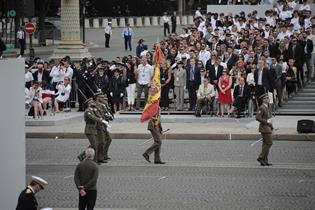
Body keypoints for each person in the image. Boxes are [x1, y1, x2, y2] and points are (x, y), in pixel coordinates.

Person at [94, 92, 113, 161]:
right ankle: (98, 157)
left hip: (104, 126)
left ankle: (103, 155)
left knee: (107, 139)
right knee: (98, 142)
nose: (104, 99)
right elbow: (98, 116)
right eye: (102, 98)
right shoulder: (96, 106)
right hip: (99, 126)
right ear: (98, 98)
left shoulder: (104, 105)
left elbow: (109, 115)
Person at [256, 93, 274, 166]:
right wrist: (266, 122)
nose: (267, 99)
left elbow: (269, 119)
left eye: (267, 98)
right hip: (264, 128)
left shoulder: (267, 107)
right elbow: (257, 117)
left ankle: (265, 160)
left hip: (268, 128)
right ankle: (260, 157)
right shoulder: (262, 107)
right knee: (269, 143)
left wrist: (271, 127)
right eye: (265, 98)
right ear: (263, 100)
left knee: (265, 144)